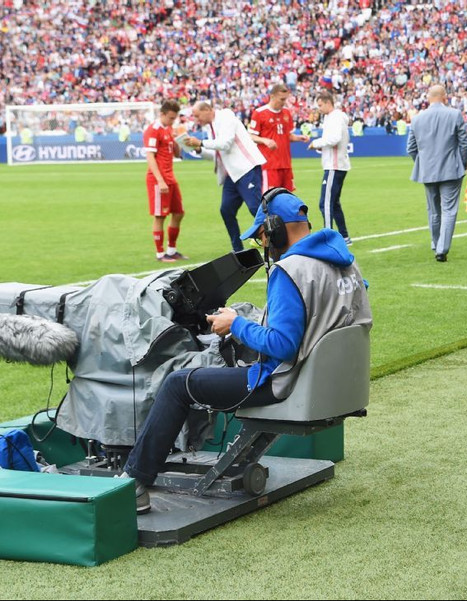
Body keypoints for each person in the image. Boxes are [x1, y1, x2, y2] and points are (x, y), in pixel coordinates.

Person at [119, 190, 372, 513]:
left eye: (261, 238)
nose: (263, 245)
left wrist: (235, 324)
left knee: (176, 384)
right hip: (333, 384)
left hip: (284, 381)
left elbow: (283, 345)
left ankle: (134, 483)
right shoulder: (347, 263)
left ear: (273, 230)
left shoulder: (290, 270)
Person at [186, 101, 267, 253]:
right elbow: (217, 153)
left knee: (256, 208)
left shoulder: (226, 116)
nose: (197, 120)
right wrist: (198, 149)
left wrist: (201, 142)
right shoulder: (211, 127)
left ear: (207, 110)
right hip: (233, 174)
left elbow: (225, 144)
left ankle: (277, 244)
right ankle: (237, 249)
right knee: (226, 210)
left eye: (197, 116)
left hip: (247, 168)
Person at [406, 84, 467, 263]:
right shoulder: (454, 114)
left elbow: (410, 148)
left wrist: (423, 164)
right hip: (451, 169)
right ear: (444, 96)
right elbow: (464, 143)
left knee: (434, 211)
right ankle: (442, 249)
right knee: (449, 210)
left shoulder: (417, 119)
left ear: (429, 98)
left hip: (428, 171)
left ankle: (436, 244)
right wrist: (462, 163)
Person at [143, 100, 188, 262]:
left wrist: (178, 140)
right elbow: (150, 157)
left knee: (178, 213)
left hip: (170, 177)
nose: (172, 121)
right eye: (170, 118)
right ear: (161, 114)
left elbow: (177, 154)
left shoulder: (169, 129)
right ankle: (160, 254)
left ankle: (172, 250)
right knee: (160, 216)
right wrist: (160, 181)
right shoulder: (153, 130)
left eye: (174, 118)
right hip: (158, 180)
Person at [308, 91, 352, 244]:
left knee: (325, 203)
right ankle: (344, 236)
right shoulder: (333, 117)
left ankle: (328, 237)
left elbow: (334, 139)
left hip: (334, 165)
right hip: (337, 164)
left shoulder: (335, 117)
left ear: (328, 103)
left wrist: (316, 143)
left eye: (320, 105)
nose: (319, 108)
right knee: (334, 203)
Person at [249, 83, 310, 192]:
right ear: (272, 96)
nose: (283, 103)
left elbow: (288, 136)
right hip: (269, 165)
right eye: (281, 99)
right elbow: (251, 136)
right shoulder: (259, 113)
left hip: (286, 164)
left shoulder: (286, 113)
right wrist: (264, 140)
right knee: (270, 199)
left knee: (287, 199)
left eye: (285, 99)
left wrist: (299, 138)